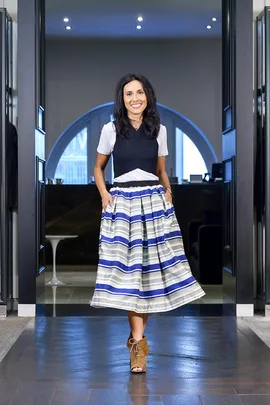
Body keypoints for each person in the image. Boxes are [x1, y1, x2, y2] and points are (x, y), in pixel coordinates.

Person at [91, 73, 205, 373]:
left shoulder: (160, 129)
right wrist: (105, 195)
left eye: (139, 93)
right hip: (123, 204)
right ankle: (139, 347)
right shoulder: (110, 129)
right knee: (130, 278)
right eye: (129, 94)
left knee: (150, 277)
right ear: (122, 99)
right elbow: (98, 168)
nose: (135, 98)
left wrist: (169, 192)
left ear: (147, 96)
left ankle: (137, 339)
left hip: (154, 204)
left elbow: (161, 170)